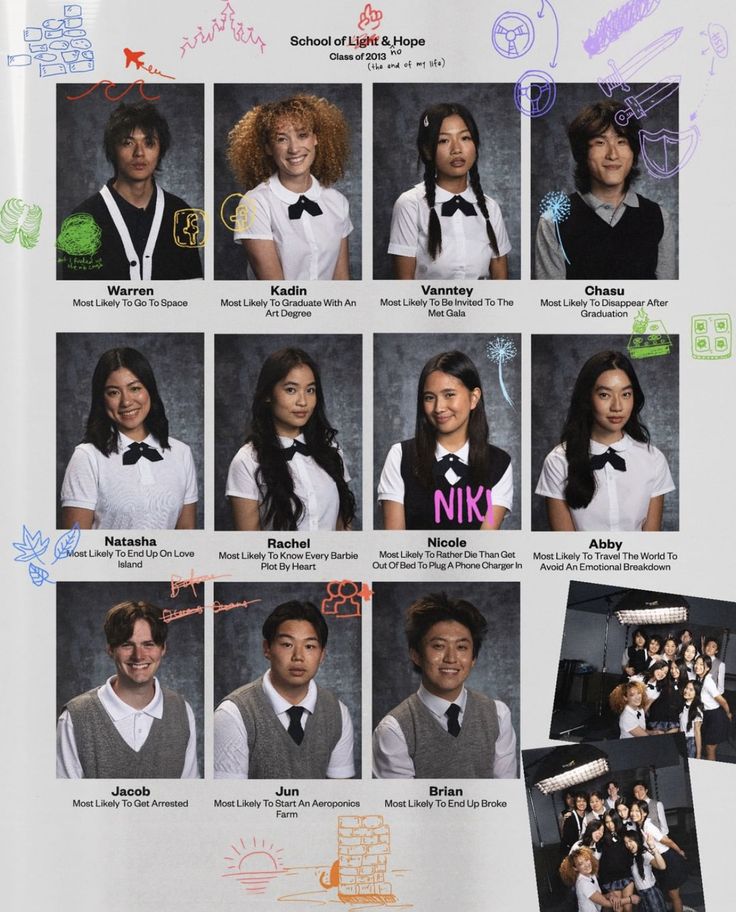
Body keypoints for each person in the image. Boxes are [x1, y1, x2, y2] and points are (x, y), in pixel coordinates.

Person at [372, 592, 517, 779]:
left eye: (462, 647)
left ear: (473, 658)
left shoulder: (498, 715)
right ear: (416, 654)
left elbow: (504, 793)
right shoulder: (394, 729)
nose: (451, 658)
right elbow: (402, 806)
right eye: (438, 646)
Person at [58, 101, 203, 280]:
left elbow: (193, 294)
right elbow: (74, 302)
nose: (139, 153)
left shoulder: (180, 214)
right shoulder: (82, 220)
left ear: (160, 150)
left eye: (149, 143)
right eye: (128, 143)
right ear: (113, 149)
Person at [535, 99, 675, 280]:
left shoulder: (659, 217)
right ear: (583, 153)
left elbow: (665, 301)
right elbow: (552, 303)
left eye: (621, 141)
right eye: (600, 142)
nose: (612, 154)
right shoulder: (553, 219)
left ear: (634, 152)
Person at [535, 350, 675, 532]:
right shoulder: (558, 461)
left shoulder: (653, 459)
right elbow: (565, 548)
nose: (617, 407)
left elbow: (651, 541)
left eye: (625, 394)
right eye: (604, 395)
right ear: (587, 398)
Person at [57, 601, 198, 778]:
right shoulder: (74, 718)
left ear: (163, 649)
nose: (138, 655)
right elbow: (65, 802)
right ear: (110, 649)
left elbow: (189, 795)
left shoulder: (182, 711)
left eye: (148, 644)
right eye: (127, 644)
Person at [61, 347, 198, 529]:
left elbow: (187, 538)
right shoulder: (87, 457)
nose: (126, 401)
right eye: (113, 392)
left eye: (135, 388)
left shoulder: (181, 453)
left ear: (149, 390)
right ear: (102, 399)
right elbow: (75, 548)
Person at [214, 601, 354, 779]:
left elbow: (339, 796)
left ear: (322, 655)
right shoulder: (233, 713)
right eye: (287, 644)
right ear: (267, 649)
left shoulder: (337, 713)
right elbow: (228, 801)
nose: (298, 657)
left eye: (309, 646)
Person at [378, 350, 512, 530]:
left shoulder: (499, 463)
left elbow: (484, 543)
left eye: (449, 394)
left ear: (474, 398)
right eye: (429, 398)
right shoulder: (400, 456)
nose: (438, 408)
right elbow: (394, 544)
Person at [226, 347, 355, 531]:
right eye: (291, 389)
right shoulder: (247, 460)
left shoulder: (331, 451)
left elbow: (344, 528)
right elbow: (249, 547)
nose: (303, 401)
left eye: (310, 390)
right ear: (268, 395)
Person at [227, 94, 352, 280]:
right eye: (281, 139)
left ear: (316, 138)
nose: (294, 149)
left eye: (302, 135)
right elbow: (275, 287)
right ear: (268, 148)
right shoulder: (254, 204)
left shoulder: (337, 201)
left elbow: (342, 282)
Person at [388, 102, 511, 280]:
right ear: (427, 151)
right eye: (443, 140)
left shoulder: (490, 208)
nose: (456, 149)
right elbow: (404, 286)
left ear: (475, 145)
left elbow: (501, 281)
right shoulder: (410, 204)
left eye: (465, 138)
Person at [629, 800, 688, 912]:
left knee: (674, 895)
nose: (633, 813)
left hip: (669, 859)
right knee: (669, 894)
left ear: (645, 813)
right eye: (632, 810)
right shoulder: (640, 826)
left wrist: (679, 851)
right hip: (660, 860)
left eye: (637, 811)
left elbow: (667, 841)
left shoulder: (648, 826)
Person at [559, 846, 623, 911]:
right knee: (618, 907)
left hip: (598, 909)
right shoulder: (583, 883)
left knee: (618, 908)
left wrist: (609, 895)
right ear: (575, 868)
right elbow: (606, 903)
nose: (586, 865)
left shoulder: (591, 874)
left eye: (586, 860)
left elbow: (598, 897)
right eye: (581, 864)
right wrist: (631, 899)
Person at [693, 654, 732, 761]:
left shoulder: (708, 681)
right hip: (707, 715)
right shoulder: (699, 678)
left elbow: (723, 701)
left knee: (710, 748)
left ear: (708, 668)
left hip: (715, 716)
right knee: (708, 747)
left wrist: (728, 714)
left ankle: (711, 774)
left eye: (702, 664)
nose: (697, 666)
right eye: (696, 663)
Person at [623, 830, 668, 912]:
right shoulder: (632, 857)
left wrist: (653, 847)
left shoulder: (644, 854)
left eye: (630, 841)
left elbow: (662, 866)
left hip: (651, 893)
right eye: (626, 843)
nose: (628, 845)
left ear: (636, 840)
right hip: (641, 895)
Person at [679, 680, 703, 759]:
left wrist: (698, 754)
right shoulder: (683, 704)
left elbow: (697, 732)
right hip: (681, 739)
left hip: (690, 741)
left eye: (691, 690)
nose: (686, 691)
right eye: (686, 688)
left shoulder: (696, 710)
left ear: (696, 693)